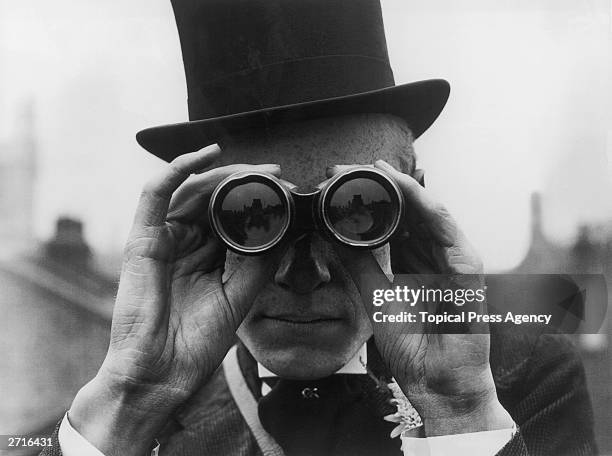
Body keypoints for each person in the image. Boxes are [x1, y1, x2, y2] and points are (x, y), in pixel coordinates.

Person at [41, 0, 596, 454]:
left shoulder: (518, 376)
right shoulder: (134, 414)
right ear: (200, 223)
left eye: (355, 208)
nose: (303, 274)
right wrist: (132, 401)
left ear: (415, 208)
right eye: (252, 215)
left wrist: (459, 410)